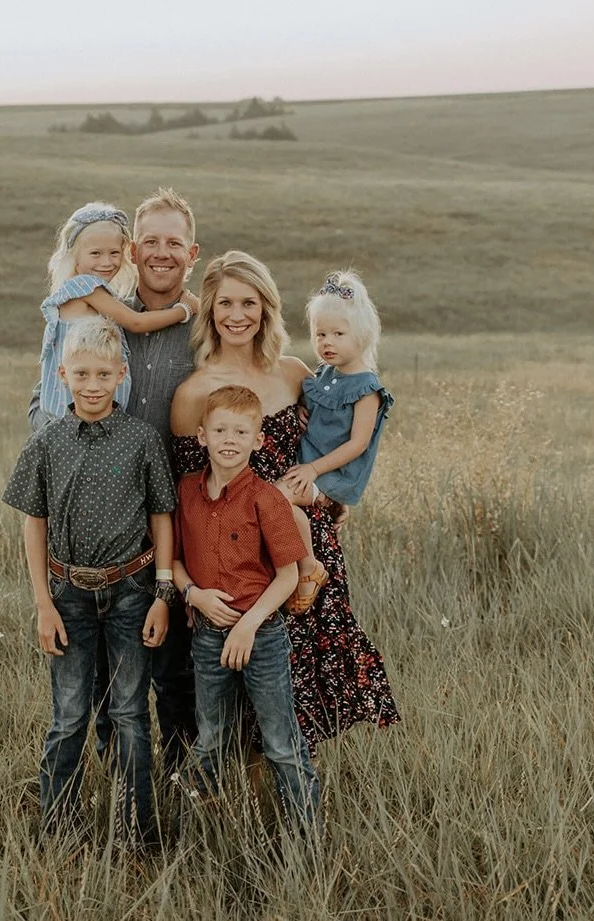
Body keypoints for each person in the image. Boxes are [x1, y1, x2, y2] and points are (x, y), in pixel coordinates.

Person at [171, 251, 400, 752]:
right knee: (243, 687)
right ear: (209, 310)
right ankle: (241, 806)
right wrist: (191, 584)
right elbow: (189, 496)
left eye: (249, 302)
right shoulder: (192, 394)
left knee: (300, 681)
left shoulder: (296, 373)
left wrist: (335, 496)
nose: (237, 315)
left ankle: (293, 803)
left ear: (266, 308)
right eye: (225, 303)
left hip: (303, 548)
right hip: (235, 559)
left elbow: (335, 438)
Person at [28, 188, 201, 773]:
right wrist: (54, 448)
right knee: (103, 671)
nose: (159, 252)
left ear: (190, 252)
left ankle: (180, 774)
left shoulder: (201, 327)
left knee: (175, 657)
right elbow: (48, 388)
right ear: (133, 248)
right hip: (111, 519)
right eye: (149, 241)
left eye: (172, 242)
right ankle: (117, 775)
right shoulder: (102, 312)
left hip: (181, 514)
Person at [3, 317, 178, 842]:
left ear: (122, 374)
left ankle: (135, 831)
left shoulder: (142, 440)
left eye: (104, 374)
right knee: (70, 716)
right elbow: (33, 523)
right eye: (82, 374)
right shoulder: (47, 442)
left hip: (131, 592)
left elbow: (162, 518)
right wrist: (43, 604)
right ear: (63, 374)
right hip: (68, 596)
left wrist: (164, 595)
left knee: (129, 712)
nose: (93, 385)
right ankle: (57, 829)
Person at [173, 385, 320, 829]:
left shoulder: (266, 498)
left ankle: (306, 840)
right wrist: (192, 594)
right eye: (220, 429)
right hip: (206, 635)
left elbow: (289, 575)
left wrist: (249, 625)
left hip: (264, 635)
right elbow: (174, 561)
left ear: (258, 440)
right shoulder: (186, 493)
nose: (229, 439)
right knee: (212, 737)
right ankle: (194, 836)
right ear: (202, 436)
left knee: (279, 740)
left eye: (241, 431)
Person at [276, 270, 394, 612]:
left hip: (331, 475)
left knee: (278, 498)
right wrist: (300, 410)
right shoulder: (324, 376)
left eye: (338, 334)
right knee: (275, 497)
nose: (326, 342)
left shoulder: (365, 388)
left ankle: (309, 566)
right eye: (320, 334)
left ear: (362, 335)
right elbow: (316, 411)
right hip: (312, 467)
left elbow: (357, 444)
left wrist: (313, 470)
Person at [38, 201, 194, 421]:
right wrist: (184, 310)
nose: (106, 262)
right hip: (75, 417)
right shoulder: (84, 287)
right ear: (75, 256)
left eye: (113, 253)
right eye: (96, 254)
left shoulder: (100, 298)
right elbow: (136, 322)